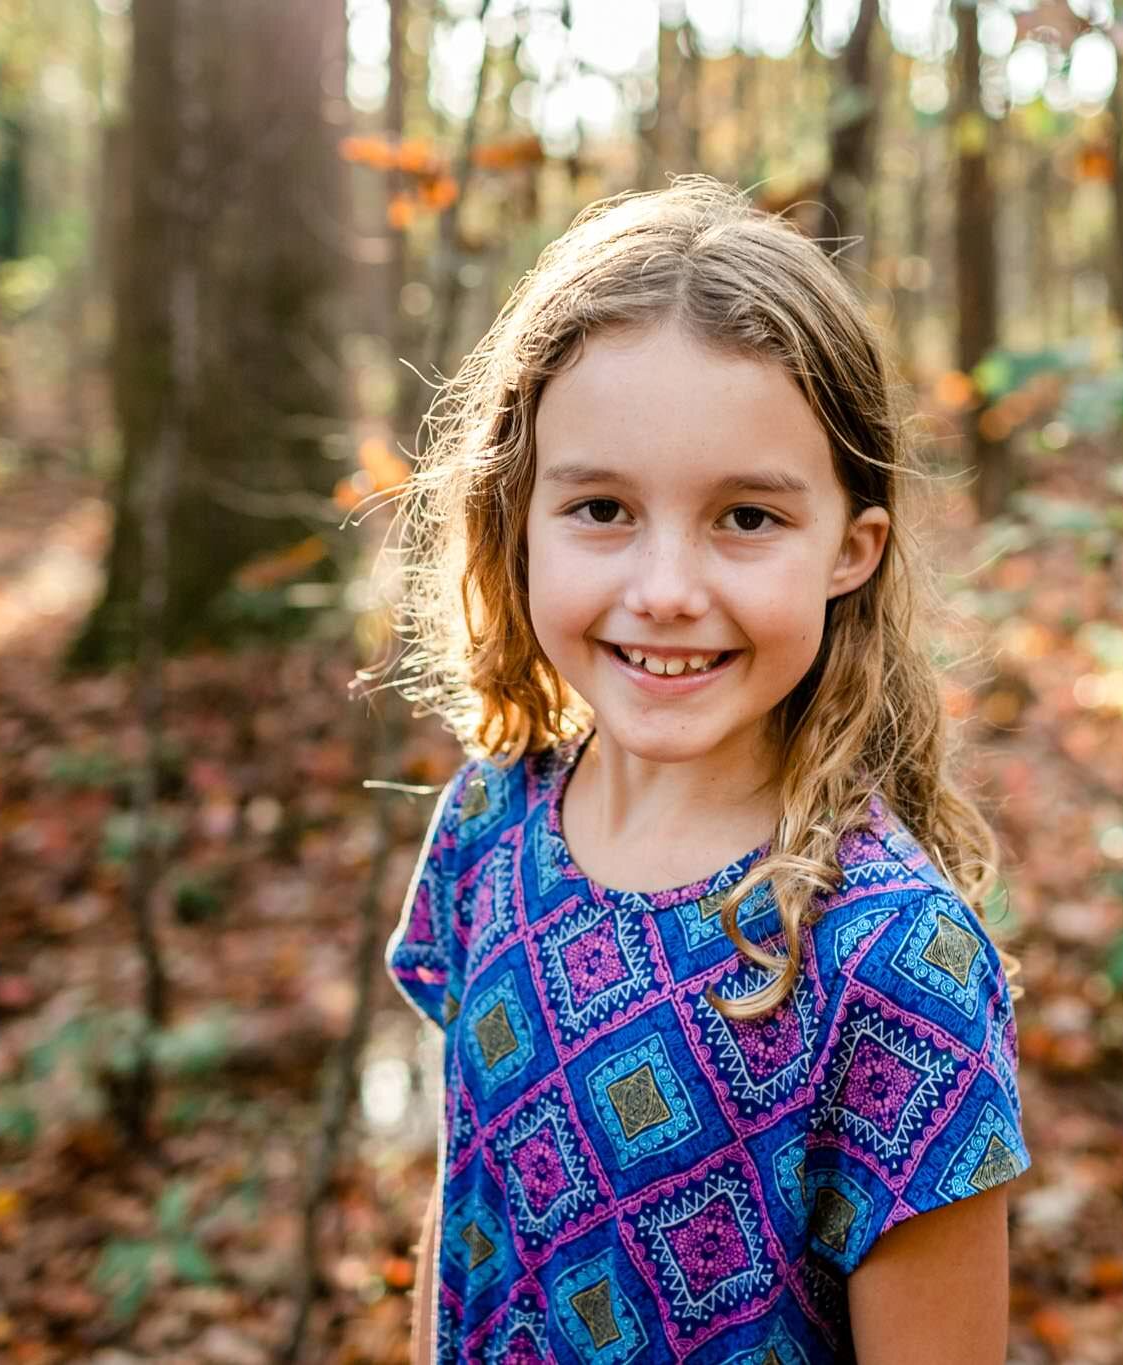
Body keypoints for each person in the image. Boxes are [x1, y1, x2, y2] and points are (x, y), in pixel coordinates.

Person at [380, 175, 1030, 1364]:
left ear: (850, 547)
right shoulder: (492, 816)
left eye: (744, 518)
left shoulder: (890, 962)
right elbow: (467, 1210)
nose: (667, 588)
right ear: (513, 517)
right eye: (601, 508)